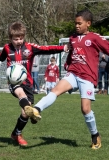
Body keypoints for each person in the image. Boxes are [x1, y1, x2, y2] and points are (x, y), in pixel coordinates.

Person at [29, 9, 109, 150]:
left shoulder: (95, 38)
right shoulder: (72, 38)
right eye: (75, 23)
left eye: (80, 23)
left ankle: (95, 135)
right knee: (55, 90)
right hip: (73, 73)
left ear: (88, 23)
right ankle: (36, 109)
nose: (77, 26)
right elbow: (72, 53)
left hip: (87, 77)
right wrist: (67, 63)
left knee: (85, 109)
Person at [0, 21, 68, 146]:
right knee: (21, 95)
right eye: (16, 39)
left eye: (21, 38)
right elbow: (1, 58)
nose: (19, 41)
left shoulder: (30, 48)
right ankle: (27, 115)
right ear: (10, 38)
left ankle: (16, 133)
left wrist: (63, 48)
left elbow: (46, 49)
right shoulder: (7, 48)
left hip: (28, 83)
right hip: (13, 82)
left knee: (24, 113)